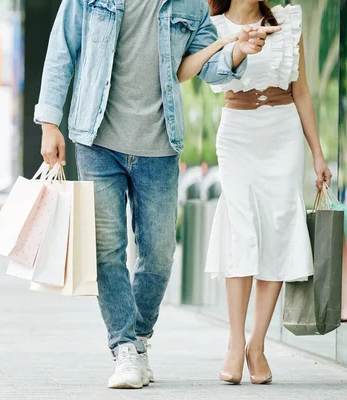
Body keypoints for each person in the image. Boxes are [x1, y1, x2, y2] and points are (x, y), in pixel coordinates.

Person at [34, 0, 279, 389]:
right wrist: (49, 123)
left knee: (160, 254)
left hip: (161, 145)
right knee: (107, 249)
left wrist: (238, 50)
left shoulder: (191, 7)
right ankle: (125, 349)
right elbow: (61, 51)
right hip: (96, 140)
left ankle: (140, 337)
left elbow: (207, 67)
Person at [177, 0, 332, 385]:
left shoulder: (288, 20)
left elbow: (302, 90)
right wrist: (233, 46)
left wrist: (317, 154)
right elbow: (187, 73)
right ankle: (234, 342)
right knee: (242, 231)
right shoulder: (211, 23)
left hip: (282, 133)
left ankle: (257, 345)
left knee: (279, 231)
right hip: (238, 134)